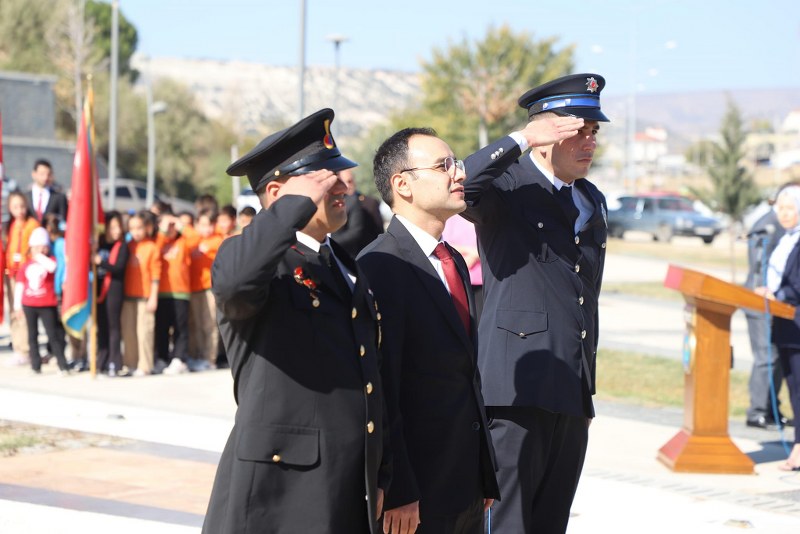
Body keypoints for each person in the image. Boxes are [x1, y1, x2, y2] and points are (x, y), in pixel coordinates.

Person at [203, 108, 389, 534]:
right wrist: (292, 207)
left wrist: (384, 470)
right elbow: (235, 285)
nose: (342, 184)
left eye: (341, 173)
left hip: (346, 484)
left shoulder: (342, 263)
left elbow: (369, 377)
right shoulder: (251, 257)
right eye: (323, 177)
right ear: (276, 192)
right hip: (282, 491)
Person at [461, 73, 607, 533]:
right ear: (547, 136)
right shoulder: (507, 186)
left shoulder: (590, 198)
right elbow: (462, 184)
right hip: (515, 388)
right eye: (576, 131)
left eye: (593, 132)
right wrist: (521, 138)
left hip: (572, 382)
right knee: (508, 521)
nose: (589, 142)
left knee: (551, 520)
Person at [358, 127, 499, 534]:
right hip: (416, 492)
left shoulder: (452, 257)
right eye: (443, 166)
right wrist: (399, 486)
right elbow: (383, 387)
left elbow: (466, 375)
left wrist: (483, 470)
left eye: (456, 164)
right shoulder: (381, 265)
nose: (459, 174)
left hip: (465, 483)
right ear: (402, 184)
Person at [759, 185, 800, 471]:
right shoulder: (786, 240)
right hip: (785, 326)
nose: (784, 214)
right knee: (793, 388)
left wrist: (779, 296)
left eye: (790, 208)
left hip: (796, 325)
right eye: (781, 209)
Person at [744, 192, 791, 429]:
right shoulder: (767, 226)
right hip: (759, 300)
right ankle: (757, 411)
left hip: (777, 303)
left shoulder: (786, 225)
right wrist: (762, 290)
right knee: (766, 357)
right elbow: (758, 264)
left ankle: (772, 408)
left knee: (779, 358)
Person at [14, 227, 68, 375]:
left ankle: (62, 365)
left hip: (47, 304)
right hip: (29, 304)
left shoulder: (50, 260)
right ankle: (35, 365)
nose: (41, 249)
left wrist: (38, 256)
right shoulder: (26, 265)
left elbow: (52, 268)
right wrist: (17, 306)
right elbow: (19, 284)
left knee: (53, 335)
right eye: (38, 246)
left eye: (44, 246)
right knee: (32, 336)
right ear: (31, 247)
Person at [121, 210, 161, 376]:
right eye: (132, 228)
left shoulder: (151, 247)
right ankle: (130, 363)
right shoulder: (127, 246)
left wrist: (153, 297)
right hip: (128, 296)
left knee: (144, 332)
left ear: (146, 228)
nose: (135, 231)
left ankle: (145, 365)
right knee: (129, 332)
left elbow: (155, 275)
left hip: (145, 297)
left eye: (139, 228)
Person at [154, 211, 192, 375]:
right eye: (166, 226)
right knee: (161, 328)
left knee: (180, 328)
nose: (170, 228)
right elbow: (154, 251)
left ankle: (179, 358)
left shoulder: (183, 241)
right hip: (162, 293)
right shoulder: (159, 241)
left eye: (172, 226)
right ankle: (162, 358)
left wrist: (180, 224)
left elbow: (196, 239)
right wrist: (162, 231)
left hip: (180, 292)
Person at [5, 190, 39, 364]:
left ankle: (25, 348)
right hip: (12, 274)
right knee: (13, 310)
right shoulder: (10, 226)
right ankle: (17, 346)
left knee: (23, 312)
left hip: (25, 275)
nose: (19, 210)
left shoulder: (32, 225)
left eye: (22, 206)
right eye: (15, 207)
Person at [188, 208, 223, 370]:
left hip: (209, 287)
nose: (206, 228)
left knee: (209, 323)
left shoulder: (217, 240)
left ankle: (210, 358)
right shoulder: (192, 240)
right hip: (194, 287)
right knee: (195, 324)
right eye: (202, 224)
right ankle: (196, 356)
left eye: (209, 225)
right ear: (196, 225)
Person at [95, 211, 130, 377]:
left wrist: (100, 262)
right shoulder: (99, 245)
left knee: (113, 326)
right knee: (101, 326)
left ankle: (115, 362)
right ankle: (101, 359)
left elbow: (118, 268)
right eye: (112, 227)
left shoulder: (122, 246)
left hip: (114, 290)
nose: (116, 231)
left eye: (118, 227)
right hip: (99, 290)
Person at [332, 168, 384, 257]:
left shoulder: (370, 203)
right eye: (344, 182)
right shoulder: (335, 204)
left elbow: (378, 232)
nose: (347, 186)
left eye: (350, 181)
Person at [441, 215, 484, 319]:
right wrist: (471, 253)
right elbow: (446, 244)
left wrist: (474, 256)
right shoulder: (452, 218)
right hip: (459, 278)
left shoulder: (482, 219)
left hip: (480, 281)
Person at [26, 159, 68, 223]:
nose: (45, 178)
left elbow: (63, 220)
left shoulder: (59, 197)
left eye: (48, 174)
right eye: (42, 174)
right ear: (34, 174)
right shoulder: (26, 197)